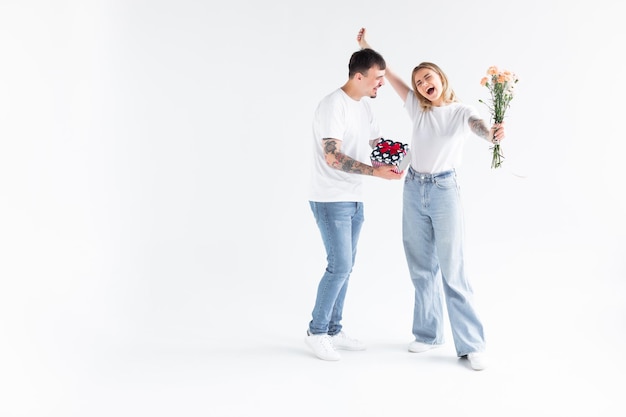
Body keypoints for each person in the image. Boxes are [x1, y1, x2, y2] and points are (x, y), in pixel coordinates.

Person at [357, 28, 505, 371]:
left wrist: (493, 135)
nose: (424, 83)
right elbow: (389, 73)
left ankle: (471, 344)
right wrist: (367, 47)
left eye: (428, 77)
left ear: (441, 78)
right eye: (419, 81)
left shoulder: (459, 111)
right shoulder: (416, 108)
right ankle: (428, 333)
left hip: (443, 190)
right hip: (413, 189)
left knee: (453, 270)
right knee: (421, 267)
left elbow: (479, 127)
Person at [306, 47, 403, 361]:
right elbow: (333, 157)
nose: (381, 84)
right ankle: (317, 332)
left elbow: (376, 145)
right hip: (331, 198)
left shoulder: (363, 107)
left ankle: (334, 329)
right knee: (340, 267)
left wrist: (405, 156)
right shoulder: (333, 105)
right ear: (358, 77)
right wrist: (376, 172)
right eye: (377, 78)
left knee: (345, 269)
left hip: (354, 197)